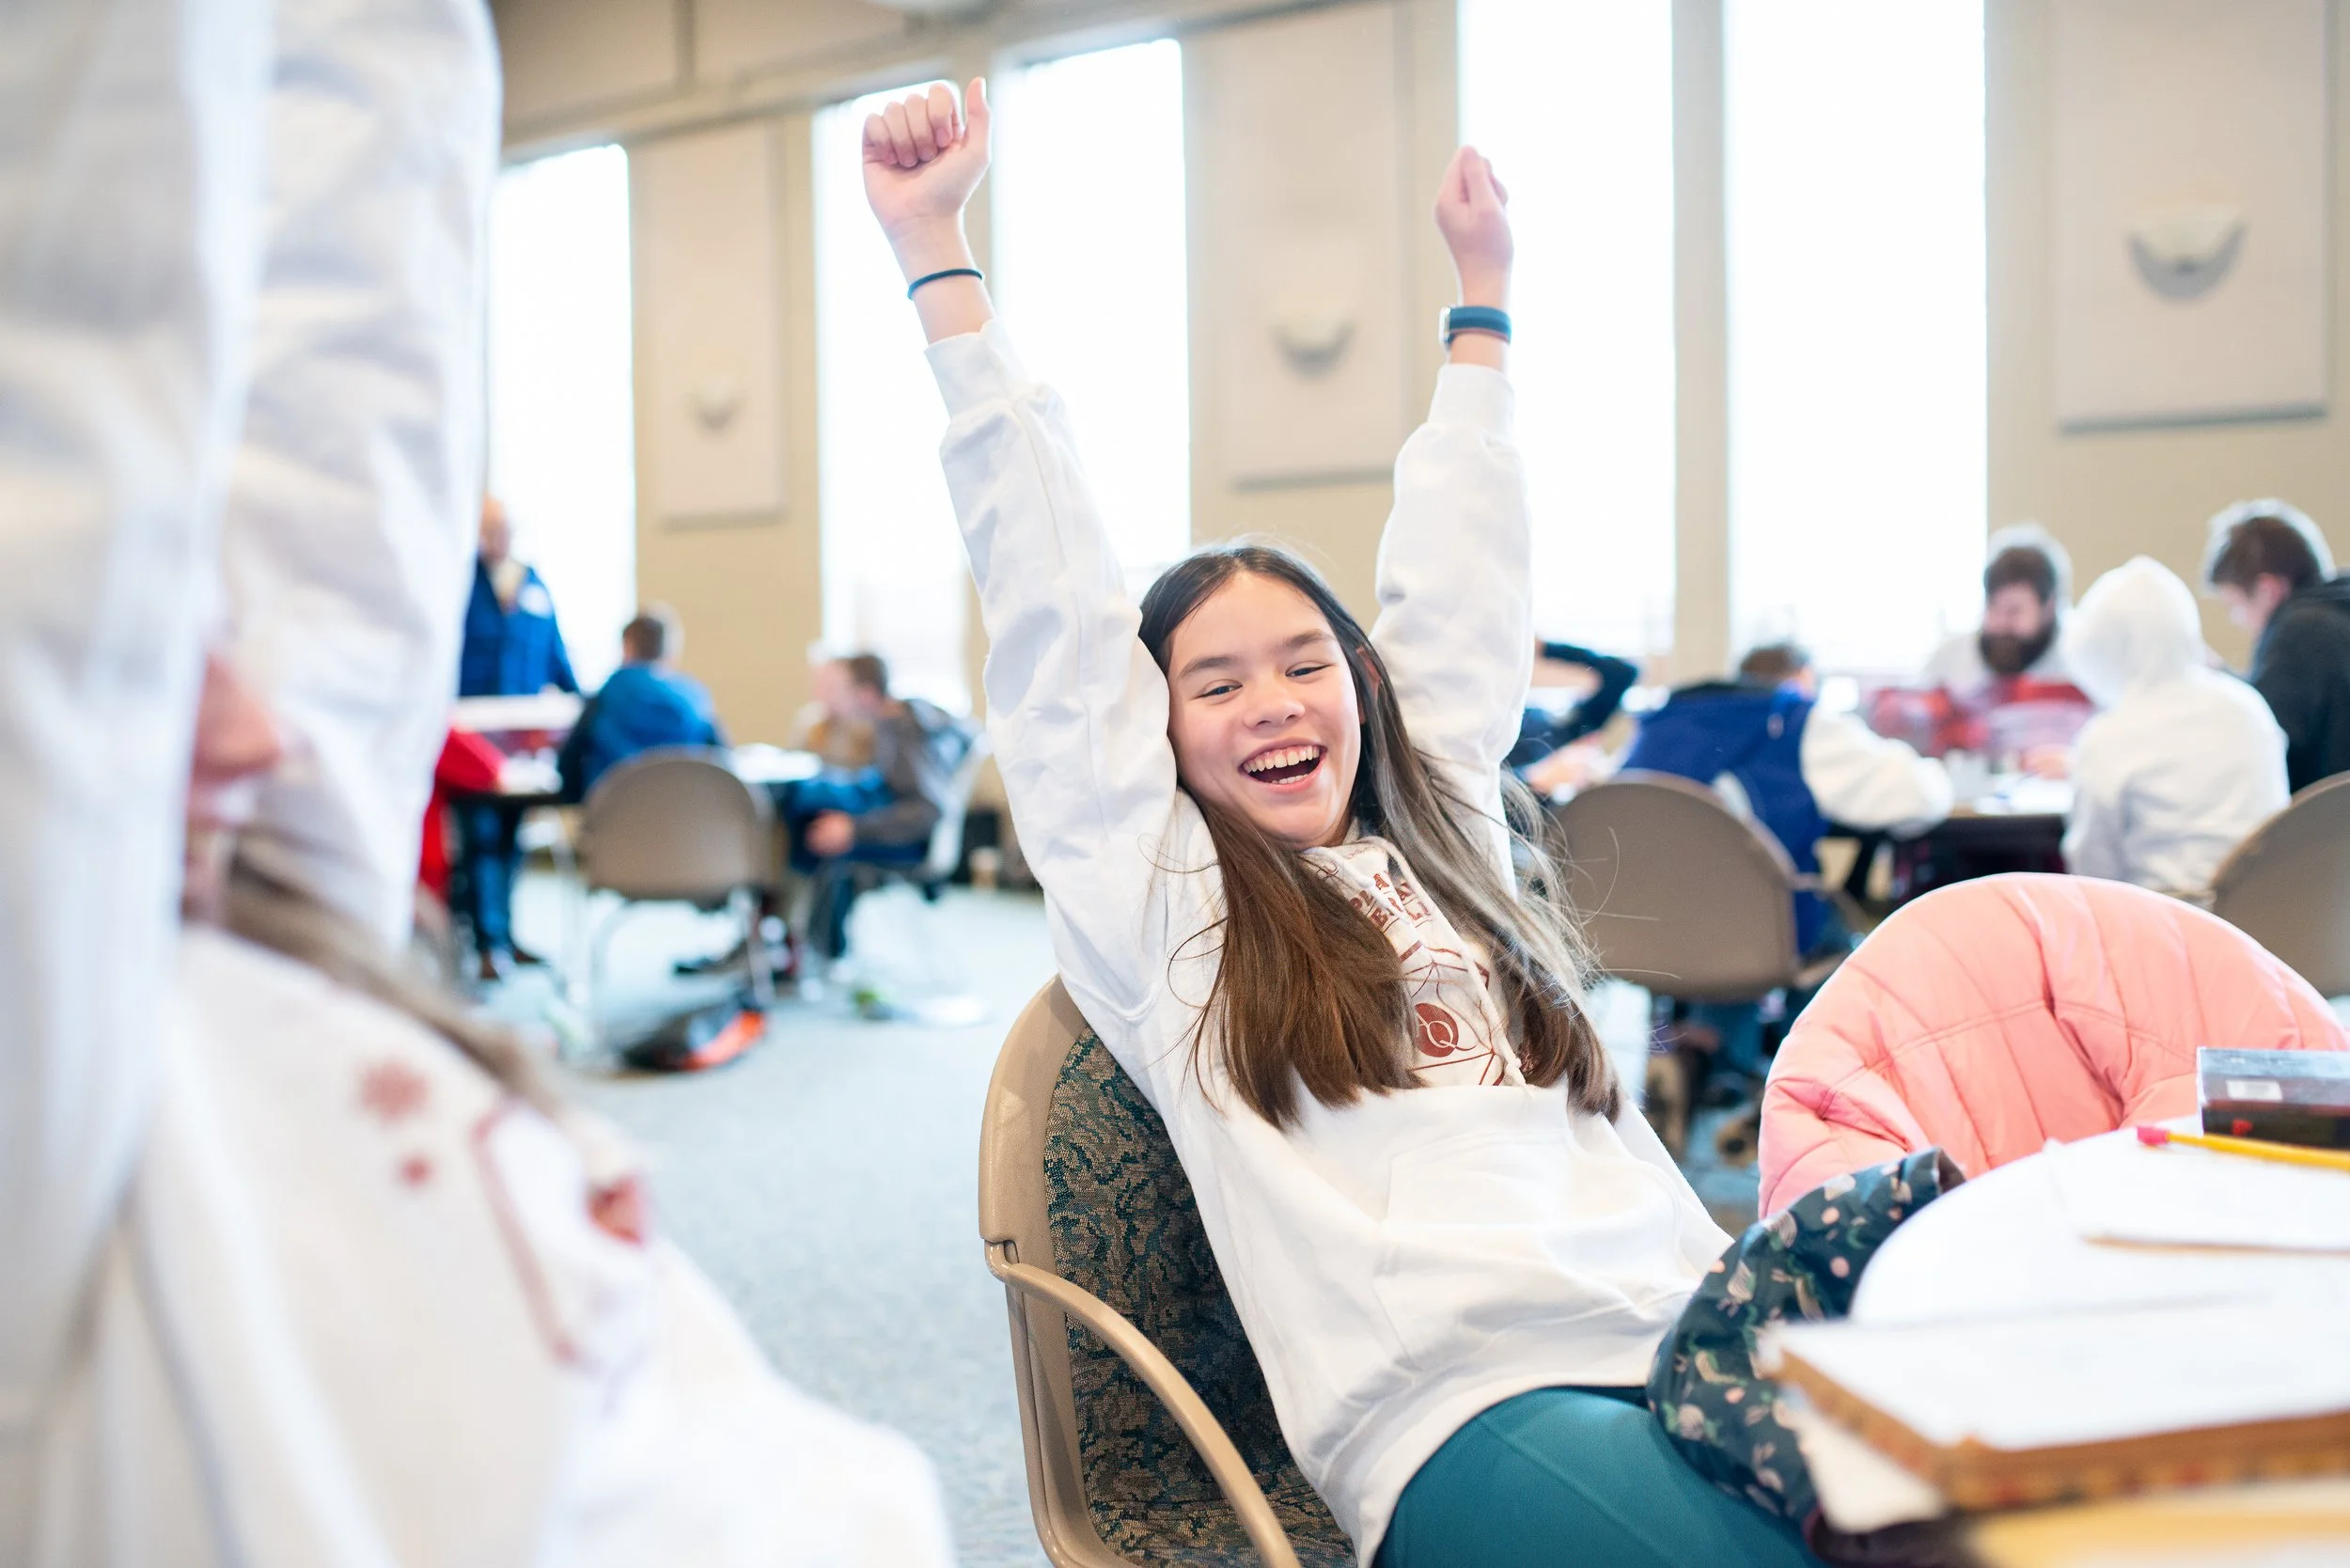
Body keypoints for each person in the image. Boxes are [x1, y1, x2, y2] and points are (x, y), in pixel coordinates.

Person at [3, 0, 950, 1557]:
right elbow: (78, 311)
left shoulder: (255, 919)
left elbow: (357, 412)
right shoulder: (56, 1101)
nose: (259, 733)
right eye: (148, 660)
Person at [864, 81, 1815, 1566]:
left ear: (1362, 687)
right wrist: (939, 261)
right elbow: (1051, 602)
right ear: (1157, 735)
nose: (1274, 703)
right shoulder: (1165, 902)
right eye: (1217, 683)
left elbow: (1465, 583)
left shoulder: (1446, 841)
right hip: (1468, 1399)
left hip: (1693, 1324)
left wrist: (1482, 306)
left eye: (1307, 663)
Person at [1624, 642, 1951, 957]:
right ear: (1801, 679)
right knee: (1839, 945)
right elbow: (1924, 797)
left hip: (1651, 928)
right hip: (1761, 929)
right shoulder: (1798, 722)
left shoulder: (1659, 724)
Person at [2060, 558, 2290, 894]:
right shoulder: (2247, 708)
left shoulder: (2111, 735)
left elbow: (2093, 873)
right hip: (2264, 920)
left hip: (2167, 927)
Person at [775, 652, 973, 963]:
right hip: (898, 829)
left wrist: (855, 829)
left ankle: (807, 951)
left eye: (841, 690)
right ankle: (801, 945)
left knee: (811, 831)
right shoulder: (890, 724)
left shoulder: (904, 730)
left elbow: (926, 810)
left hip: (913, 843)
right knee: (810, 809)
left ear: (865, 694)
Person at [2201, 499, 2350, 793]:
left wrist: (2215, 681)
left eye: (2237, 607)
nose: (2238, 621)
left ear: (2268, 589)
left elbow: (2264, 737)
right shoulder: (2336, 614)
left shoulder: (2299, 632)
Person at [557, 606, 727, 800]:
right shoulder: (695, 698)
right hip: (684, 819)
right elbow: (724, 763)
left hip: (616, 819)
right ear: (670, 651)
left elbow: (568, 765)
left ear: (627, 646)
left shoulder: (608, 694)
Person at [461, 495, 579, 699]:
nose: (496, 536)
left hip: (524, 707)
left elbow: (555, 651)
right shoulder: (465, 581)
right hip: (472, 705)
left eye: (501, 528)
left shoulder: (534, 584)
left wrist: (581, 702)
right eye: (488, 529)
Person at [1509, 637, 1639, 795]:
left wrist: (1546, 648)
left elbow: (1622, 672)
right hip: (1524, 793)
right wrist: (1533, 778)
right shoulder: (1487, 727)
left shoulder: (1571, 727)